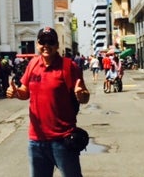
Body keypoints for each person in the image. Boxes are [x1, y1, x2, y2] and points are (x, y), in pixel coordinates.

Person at [6, 26, 90, 177]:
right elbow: (25, 92)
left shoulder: (69, 67)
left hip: (63, 140)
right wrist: (16, 92)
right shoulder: (32, 64)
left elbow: (84, 97)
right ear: (38, 44)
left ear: (57, 45)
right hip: (36, 140)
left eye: (50, 41)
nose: (46, 45)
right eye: (42, 41)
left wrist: (81, 94)